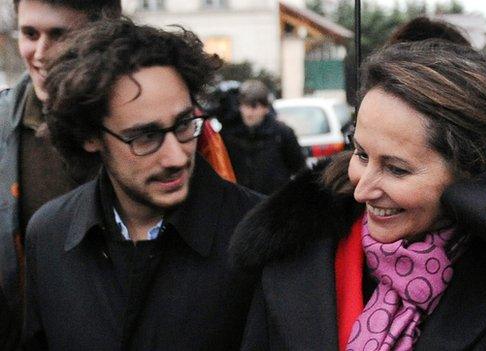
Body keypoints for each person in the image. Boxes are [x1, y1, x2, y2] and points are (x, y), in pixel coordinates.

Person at [230, 40, 486, 350]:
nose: (363, 188)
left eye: (397, 168)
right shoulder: (299, 254)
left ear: (473, 174)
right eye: (362, 154)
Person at [22, 19, 262, 349]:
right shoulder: (49, 235)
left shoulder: (259, 234)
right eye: (146, 137)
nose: (176, 157)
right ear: (90, 135)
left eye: (183, 125)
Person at [0, 0, 121, 341]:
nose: (40, 53)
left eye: (59, 34)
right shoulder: (2, 127)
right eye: (29, 33)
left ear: (103, 34)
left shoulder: (152, 124)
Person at [221, 79, 305, 194]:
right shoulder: (229, 133)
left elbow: (299, 167)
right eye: (244, 105)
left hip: (272, 203)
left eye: (254, 106)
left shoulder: (282, 133)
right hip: (241, 203)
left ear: (265, 108)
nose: (249, 112)